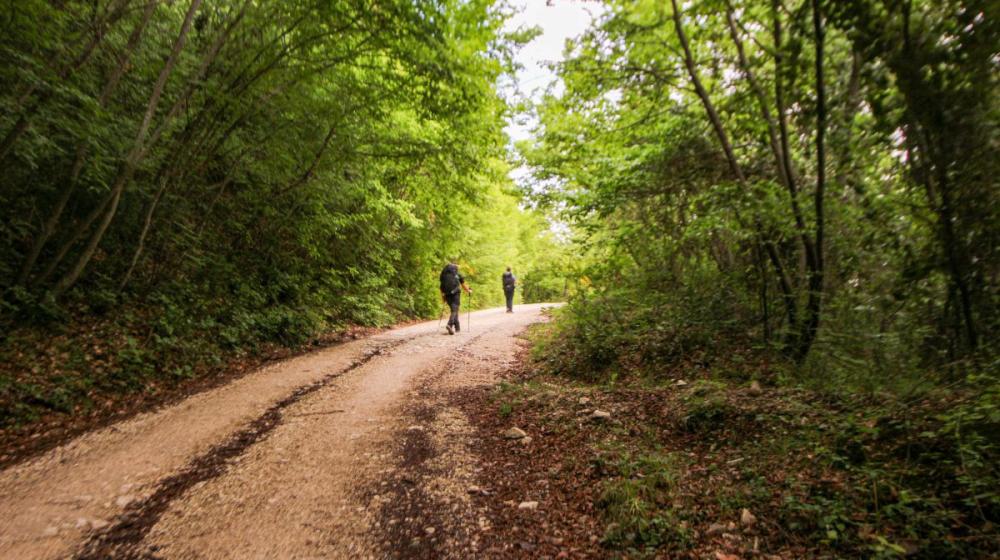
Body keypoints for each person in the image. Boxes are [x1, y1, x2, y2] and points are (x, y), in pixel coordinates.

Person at [439, 261, 472, 334]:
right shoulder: (458, 274)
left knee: (454, 310)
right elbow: (463, 285)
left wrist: (443, 298)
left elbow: (441, 288)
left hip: (446, 295)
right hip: (455, 294)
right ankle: (449, 324)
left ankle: (457, 327)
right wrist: (469, 291)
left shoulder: (444, 276)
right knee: (455, 309)